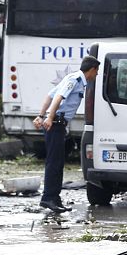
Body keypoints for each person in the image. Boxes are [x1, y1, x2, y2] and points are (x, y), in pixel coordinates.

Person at [33, 55, 100, 212]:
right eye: (96, 71)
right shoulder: (75, 80)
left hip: (57, 124)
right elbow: (57, 97)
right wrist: (48, 118)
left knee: (58, 162)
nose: (96, 75)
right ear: (91, 70)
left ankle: (55, 198)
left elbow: (49, 95)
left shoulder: (73, 78)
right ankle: (48, 198)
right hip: (55, 124)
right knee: (54, 163)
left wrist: (40, 116)